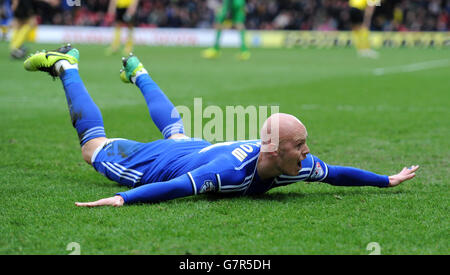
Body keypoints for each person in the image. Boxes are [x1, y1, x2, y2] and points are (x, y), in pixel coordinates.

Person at [23, 44, 419, 207]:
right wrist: (124, 199)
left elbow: (337, 175)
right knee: (94, 148)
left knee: (178, 129)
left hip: (199, 149)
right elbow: (177, 187)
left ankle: (138, 72)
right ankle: (67, 66)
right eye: (299, 145)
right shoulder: (228, 174)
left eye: (305, 144)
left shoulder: (296, 165)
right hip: (171, 161)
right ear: (273, 150)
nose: (308, 152)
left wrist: (387, 180)